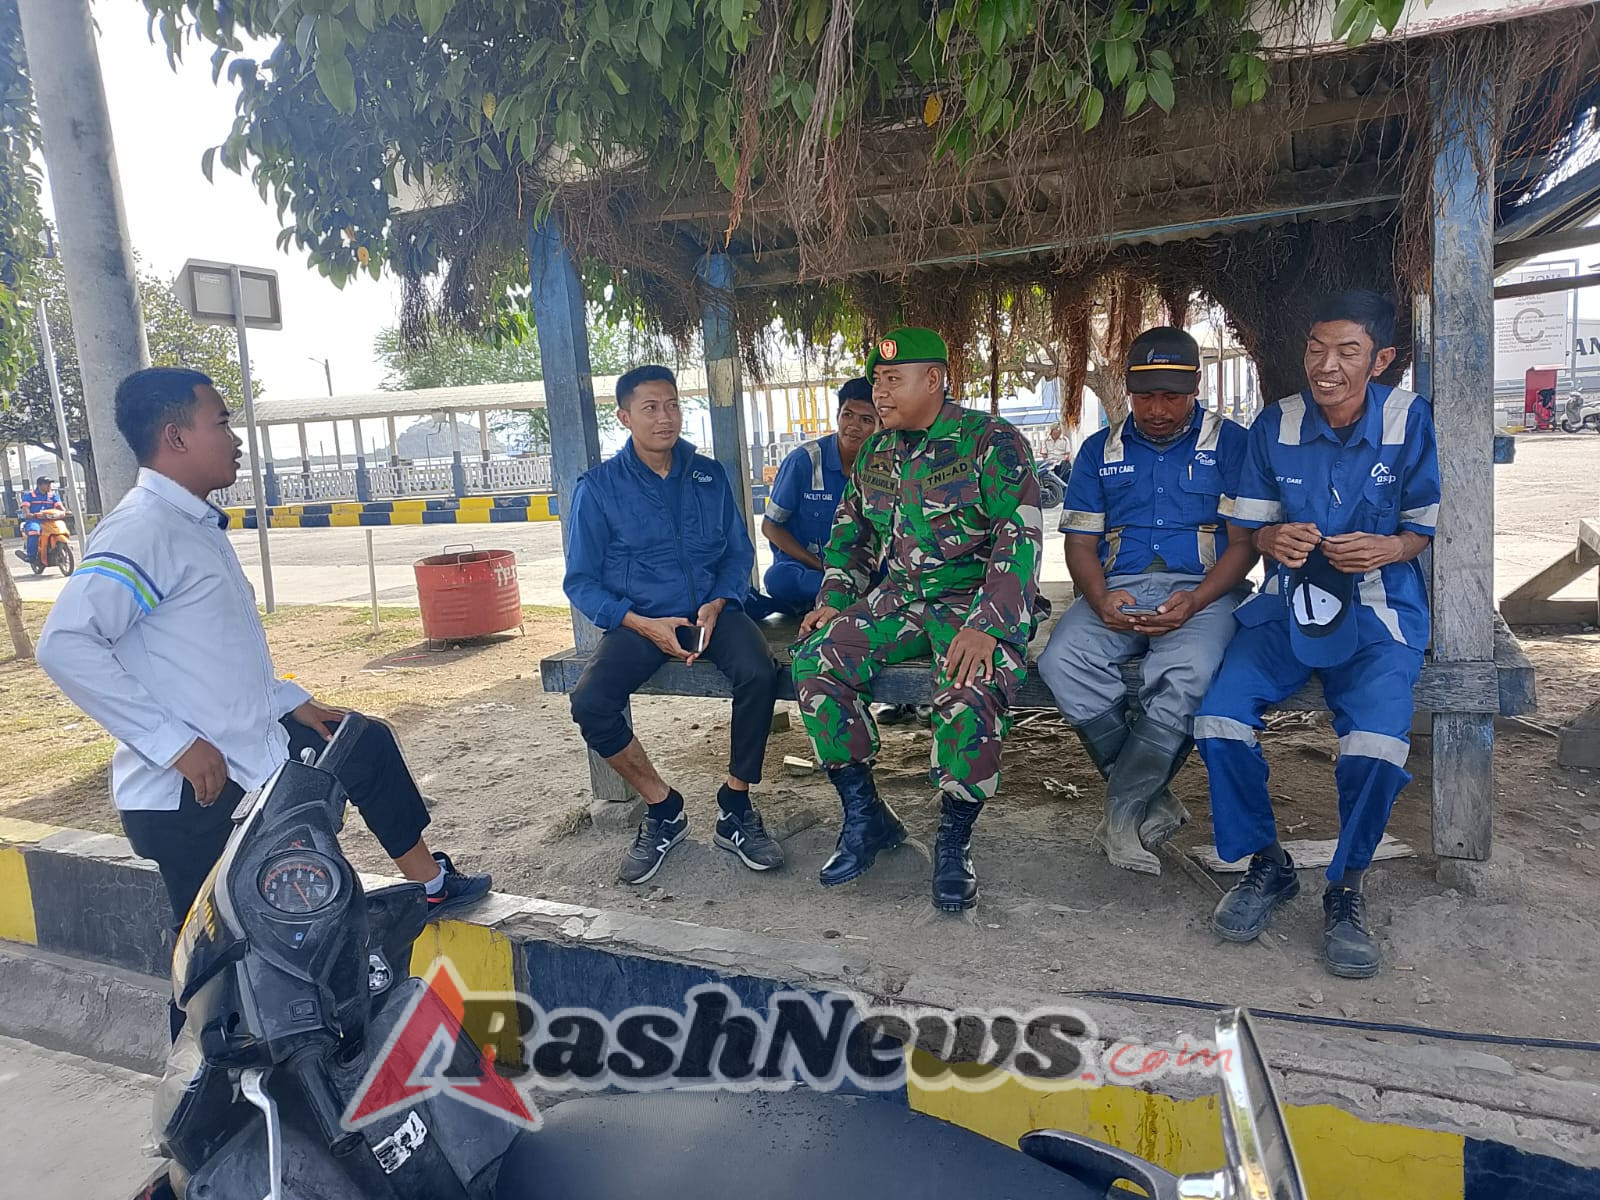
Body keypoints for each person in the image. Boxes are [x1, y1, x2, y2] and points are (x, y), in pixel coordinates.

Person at [36, 369, 492, 1009]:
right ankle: (199, 1098)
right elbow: (66, 644)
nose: (235, 437)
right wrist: (174, 746)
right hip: (192, 792)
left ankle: (428, 882)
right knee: (214, 973)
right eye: (220, 422)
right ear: (176, 436)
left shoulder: (190, 523)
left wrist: (289, 701)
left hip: (247, 755)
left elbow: (215, 654)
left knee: (358, 744)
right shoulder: (143, 530)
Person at [1193, 290, 1440, 980]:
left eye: (1348, 351)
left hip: (1378, 610)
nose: (1326, 365)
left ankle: (1347, 885)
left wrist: (1389, 549)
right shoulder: (1278, 424)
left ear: (1381, 358)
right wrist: (1274, 536)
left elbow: (1420, 528)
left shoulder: (1406, 419)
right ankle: (1267, 866)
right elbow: (1247, 531)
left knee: (1377, 742)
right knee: (1217, 720)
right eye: (1315, 348)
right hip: (1286, 603)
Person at [791, 328, 1042, 912]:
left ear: (933, 380)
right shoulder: (877, 451)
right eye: (876, 380)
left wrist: (990, 624)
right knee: (815, 659)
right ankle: (865, 816)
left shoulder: (990, 441)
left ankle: (954, 840)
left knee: (969, 687)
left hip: (975, 601)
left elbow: (1020, 535)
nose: (880, 393)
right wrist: (834, 596)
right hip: (901, 597)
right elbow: (850, 536)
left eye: (893, 380)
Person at [1037, 328, 1256, 875]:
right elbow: (1081, 543)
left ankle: (1121, 814)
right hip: (1120, 591)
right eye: (1145, 396)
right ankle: (1148, 801)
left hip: (1204, 592)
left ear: (1196, 388)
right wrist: (1102, 597)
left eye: (1172, 397)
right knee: (1061, 660)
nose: (1157, 410)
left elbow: (1245, 544)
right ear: (1129, 390)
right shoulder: (1098, 449)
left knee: (1189, 670)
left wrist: (1196, 599)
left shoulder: (1233, 444)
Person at [564, 364, 784, 885]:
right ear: (625, 417)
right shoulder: (598, 488)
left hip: (712, 612)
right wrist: (639, 622)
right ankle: (663, 809)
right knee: (590, 703)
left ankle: (735, 806)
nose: (666, 418)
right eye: (651, 407)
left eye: (673, 405)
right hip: (640, 619)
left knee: (759, 670)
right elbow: (581, 581)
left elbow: (737, 552)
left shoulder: (709, 476)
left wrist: (720, 602)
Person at [759, 378, 880, 618]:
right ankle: (858, 601)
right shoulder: (804, 461)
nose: (853, 426)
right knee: (778, 579)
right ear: (837, 416)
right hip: (809, 571)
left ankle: (846, 599)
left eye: (866, 420)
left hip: (859, 572)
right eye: (848, 415)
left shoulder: (886, 465)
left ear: (881, 425)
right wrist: (822, 568)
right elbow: (770, 527)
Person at [17, 475, 65, 565]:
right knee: (34, 532)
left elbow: (59, 506)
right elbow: (25, 507)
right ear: (39, 485)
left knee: (60, 530)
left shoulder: (53, 496)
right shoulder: (29, 495)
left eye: (50, 484)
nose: (49, 486)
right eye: (47, 484)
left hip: (50, 520)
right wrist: (28, 514)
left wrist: (64, 511)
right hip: (34, 520)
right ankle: (31, 556)